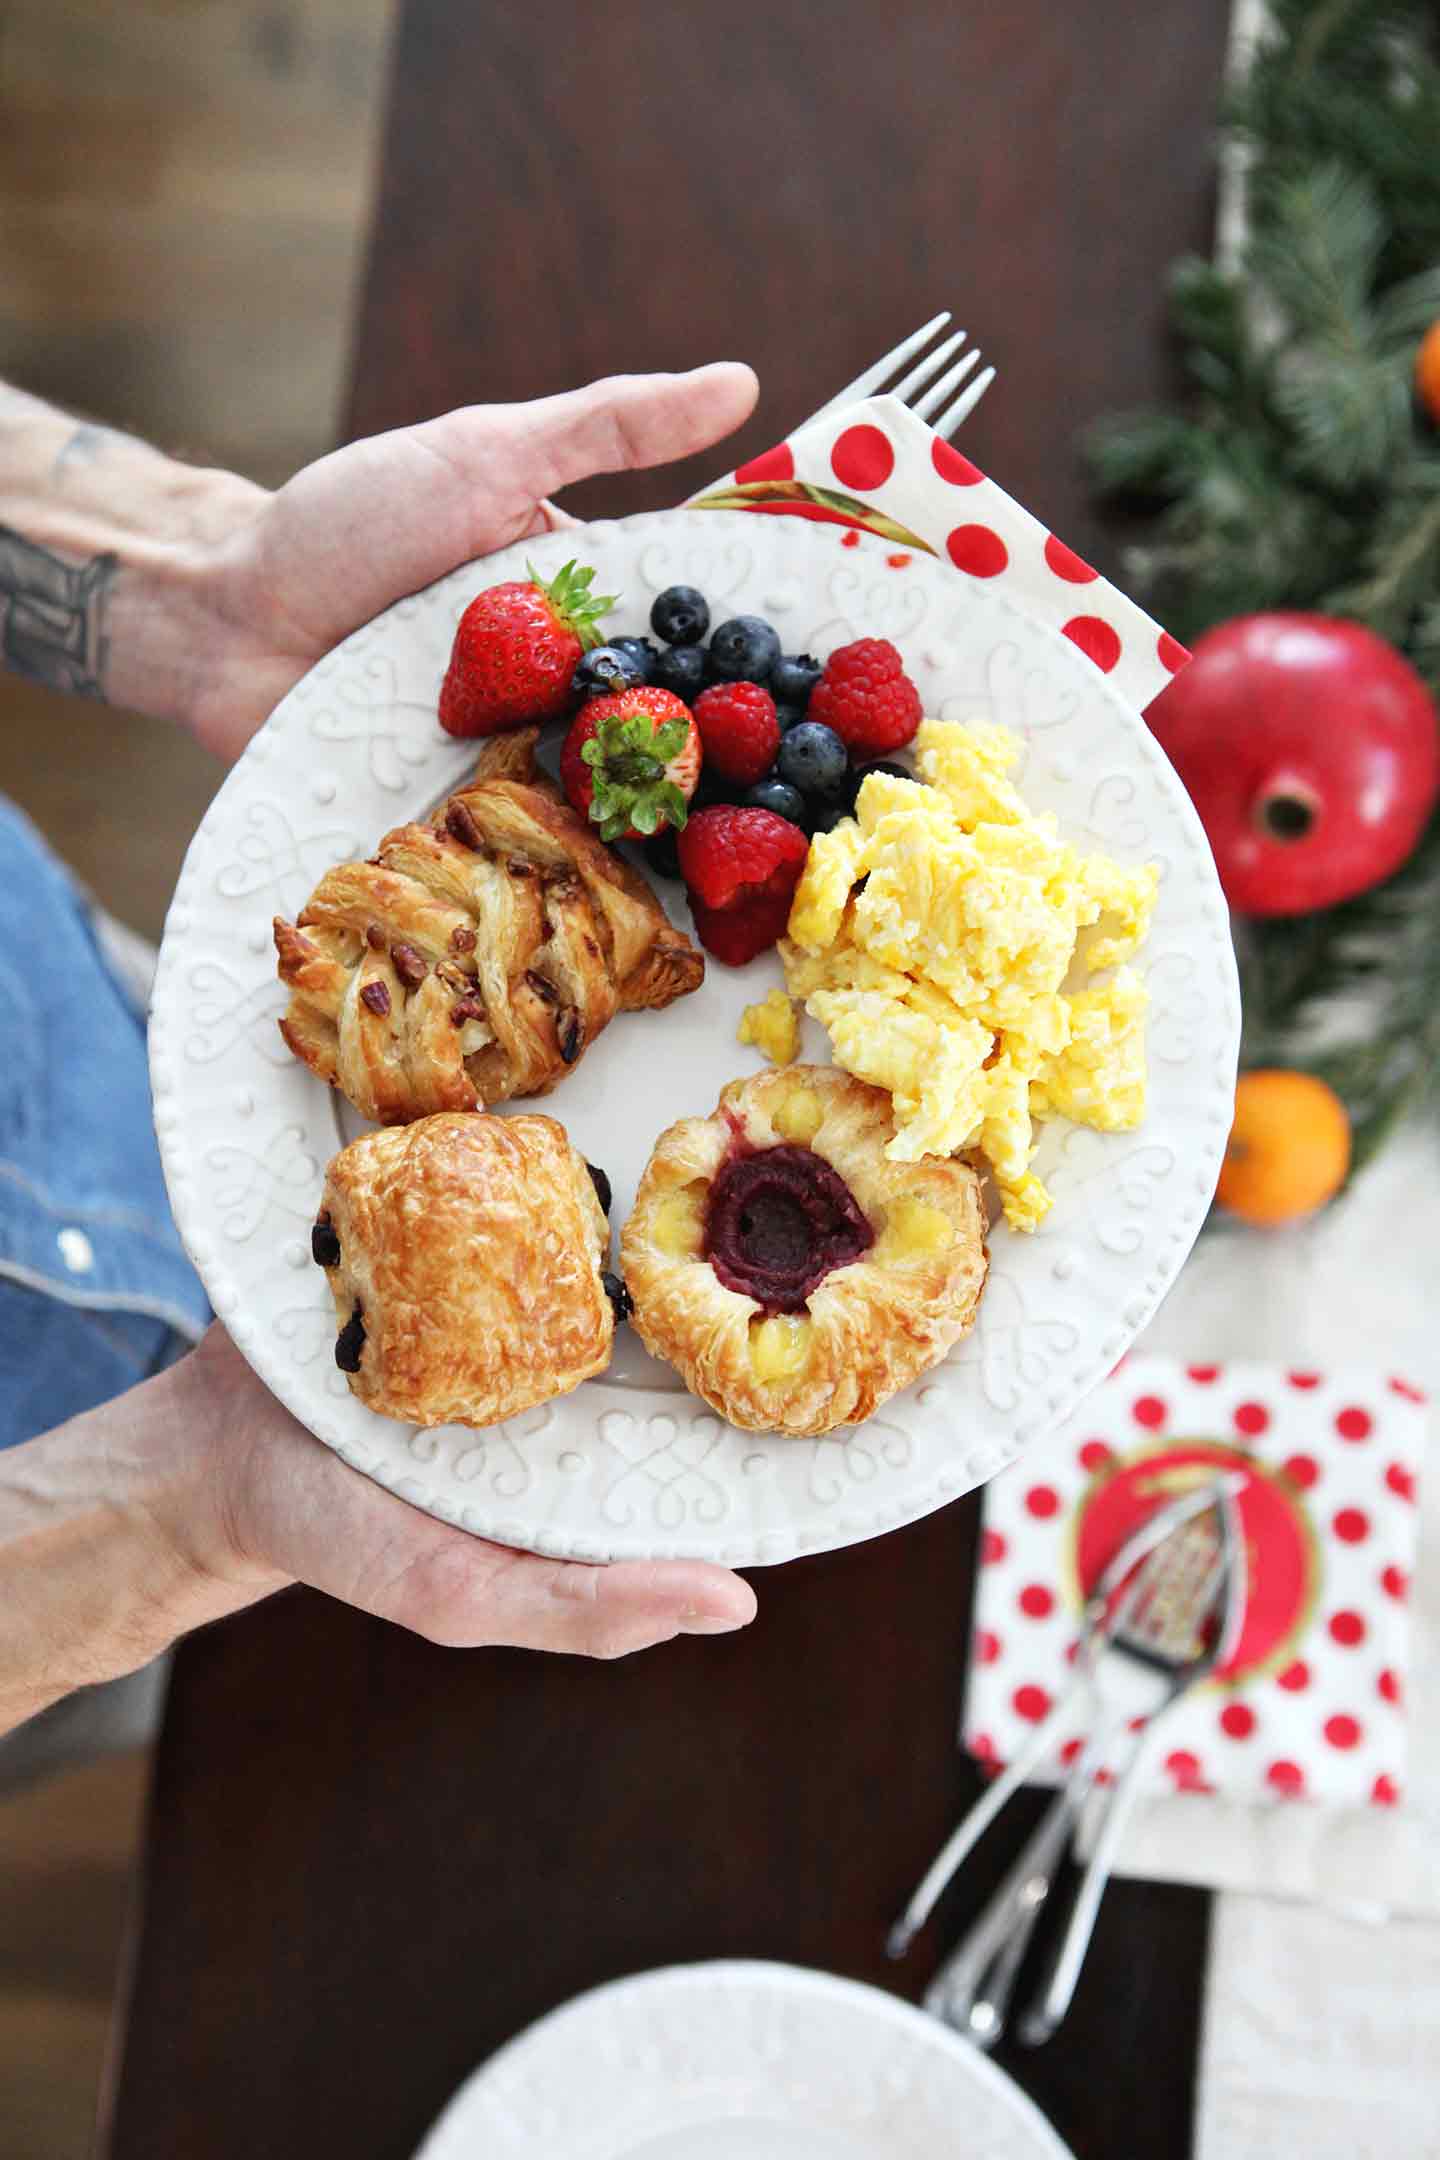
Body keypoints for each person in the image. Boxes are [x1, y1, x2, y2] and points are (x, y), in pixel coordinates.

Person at [0, 364, 762, 1742]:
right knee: (188, 1733)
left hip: (47, 1021)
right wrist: (176, 1522)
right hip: (50, 1515)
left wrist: (206, 588)